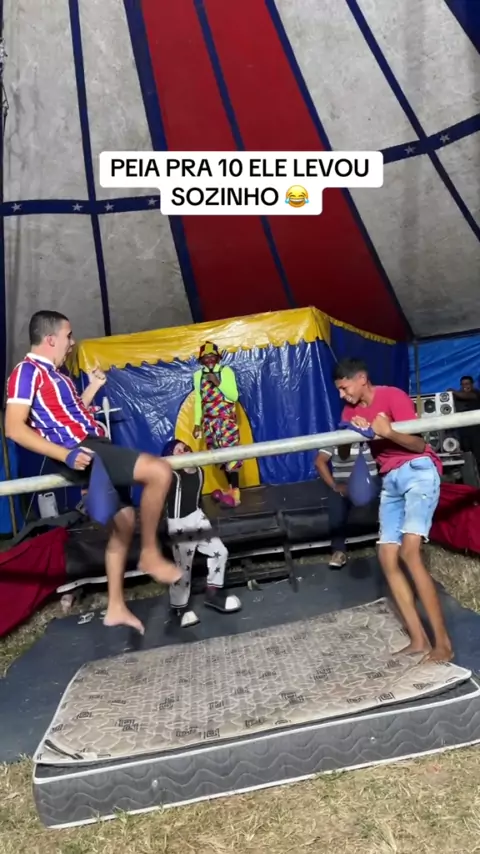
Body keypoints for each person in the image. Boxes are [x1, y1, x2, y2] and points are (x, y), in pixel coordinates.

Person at [5, 310, 182, 635]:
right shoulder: (26, 371)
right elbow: (14, 428)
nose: (72, 343)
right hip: (82, 450)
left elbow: (73, 414)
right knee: (158, 471)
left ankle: (115, 606)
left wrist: (93, 387)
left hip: (92, 443)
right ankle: (149, 554)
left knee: (124, 525)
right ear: (50, 339)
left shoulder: (58, 376)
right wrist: (65, 455)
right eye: (68, 336)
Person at [333, 357, 452, 662]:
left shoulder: (393, 396)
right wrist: (350, 431)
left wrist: (387, 431)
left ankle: (443, 644)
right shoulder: (349, 410)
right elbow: (343, 453)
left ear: (361, 378)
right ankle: (419, 640)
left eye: (345, 387)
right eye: (339, 390)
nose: (342, 394)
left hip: (417, 470)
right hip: (389, 480)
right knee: (386, 556)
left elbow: (418, 445)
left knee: (409, 552)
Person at [162, 438, 241, 627]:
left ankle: (213, 593)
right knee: (183, 567)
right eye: (178, 450)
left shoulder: (198, 470)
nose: (184, 451)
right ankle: (179, 608)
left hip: (197, 517)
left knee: (220, 552)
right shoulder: (171, 476)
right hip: (180, 523)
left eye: (186, 448)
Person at [192, 341, 242, 507]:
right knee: (220, 457)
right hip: (209, 423)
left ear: (218, 358)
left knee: (231, 455)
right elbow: (199, 400)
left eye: (212, 356)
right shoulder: (198, 376)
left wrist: (217, 382)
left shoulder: (226, 371)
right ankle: (230, 488)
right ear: (201, 360)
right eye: (206, 357)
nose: (209, 360)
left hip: (226, 421)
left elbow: (234, 396)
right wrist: (197, 423)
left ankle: (236, 492)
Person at [315, 440, 378, 568]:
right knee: (336, 504)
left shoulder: (372, 437)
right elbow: (319, 462)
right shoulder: (337, 439)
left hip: (372, 483)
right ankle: (339, 551)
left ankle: (390, 543)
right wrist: (334, 485)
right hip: (345, 484)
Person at [448, 376, 480, 465]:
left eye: (467, 384)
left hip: (476, 431)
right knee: (466, 455)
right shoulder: (457, 397)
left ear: (472, 384)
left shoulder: (476, 393)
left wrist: (452, 391)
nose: (465, 386)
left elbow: (464, 395)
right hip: (463, 432)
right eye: (462, 384)